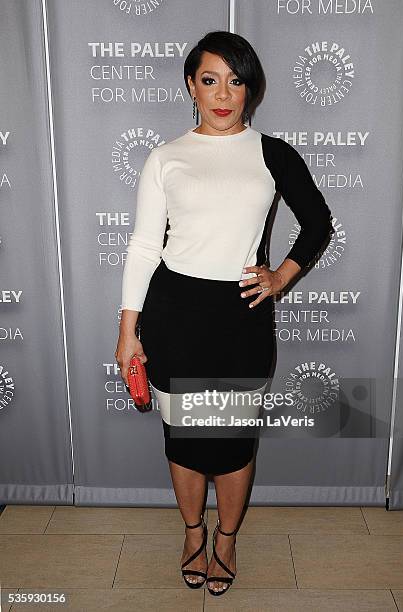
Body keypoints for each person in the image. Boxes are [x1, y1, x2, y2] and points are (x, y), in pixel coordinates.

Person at [115, 30, 334, 596]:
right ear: (191, 85)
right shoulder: (165, 157)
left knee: (233, 443)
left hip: (240, 316)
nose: (223, 93)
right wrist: (126, 334)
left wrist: (281, 277)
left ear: (250, 89)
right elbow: (143, 247)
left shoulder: (272, 153)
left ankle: (227, 540)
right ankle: (193, 534)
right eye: (210, 80)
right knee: (184, 439)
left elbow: (317, 224)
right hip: (174, 313)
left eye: (236, 81)